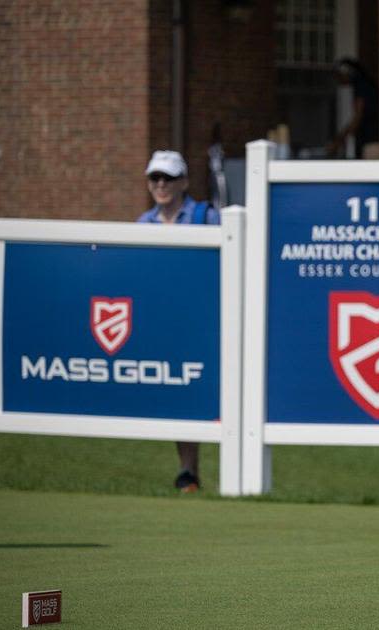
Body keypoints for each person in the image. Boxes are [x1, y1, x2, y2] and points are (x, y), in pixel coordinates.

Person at [137, 150, 220, 493]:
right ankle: (188, 471)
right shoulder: (143, 225)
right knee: (181, 396)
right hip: (168, 323)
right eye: (155, 178)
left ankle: (217, 472)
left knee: (214, 396)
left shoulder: (207, 217)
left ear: (184, 182)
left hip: (209, 319)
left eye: (167, 178)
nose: (160, 185)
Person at [328, 58, 379, 159]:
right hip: (377, 134)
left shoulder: (362, 86)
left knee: (372, 171)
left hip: (377, 135)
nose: (337, 79)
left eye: (338, 75)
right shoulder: (364, 85)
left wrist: (339, 140)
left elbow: (358, 117)